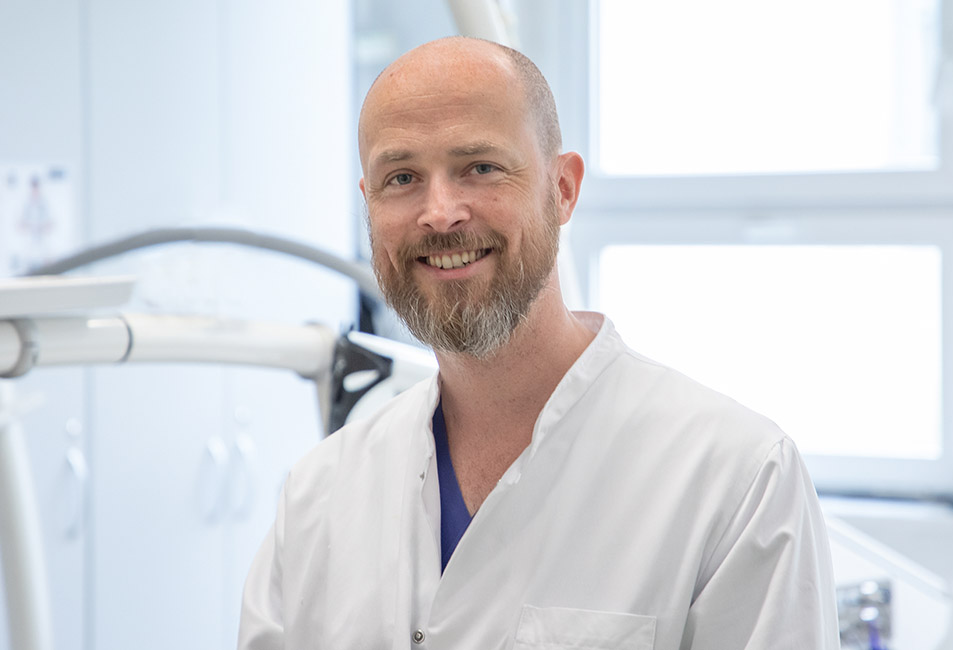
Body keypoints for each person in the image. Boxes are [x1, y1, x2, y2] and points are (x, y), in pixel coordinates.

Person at [238, 37, 840, 649]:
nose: (440, 212)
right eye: (402, 178)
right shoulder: (318, 495)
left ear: (564, 189)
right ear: (369, 206)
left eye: (481, 167)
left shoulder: (736, 479)